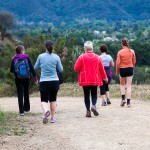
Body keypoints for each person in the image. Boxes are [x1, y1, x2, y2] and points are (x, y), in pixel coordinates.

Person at [74, 41, 108, 117]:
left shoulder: (81, 57)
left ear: (85, 48)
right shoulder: (97, 57)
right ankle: (93, 105)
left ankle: (88, 111)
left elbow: (76, 68)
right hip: (95, 79)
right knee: (94, 94)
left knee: (86, 95)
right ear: (92, 48)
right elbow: (102, 69)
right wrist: (105, 78)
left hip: (85, 79)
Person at [34, 40, 63, 124]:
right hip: (54, 81)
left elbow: (35, 67)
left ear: (45, 47)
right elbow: (61, 69)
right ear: (52, 46)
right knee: (53, 100)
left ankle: (46, 111)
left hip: (44, 81)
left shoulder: (40, 56)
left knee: (44, 100)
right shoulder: (56, 57)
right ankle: (53, 118)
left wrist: (42, 65)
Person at [10, 45, 38, 116]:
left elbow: (11, 70)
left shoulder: (14, 58)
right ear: (21, 51)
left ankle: (21, 112)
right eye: (24, 50)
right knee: (26, 92)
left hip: (18, 78)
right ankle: (27, 108)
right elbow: (31, 68)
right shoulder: (26, 57)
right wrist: (35, 77)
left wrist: (17, 71)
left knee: (20, 94)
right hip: (26, 77)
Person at [116, 38, 136, 107]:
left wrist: (117, 71)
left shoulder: (120, 52)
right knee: (129, 86)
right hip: (130, 68)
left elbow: (118, 63)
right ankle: (128, 102)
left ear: (122, 44)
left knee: (122, 85)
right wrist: (132, 67)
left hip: (122, 69)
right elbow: (134, 62)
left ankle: (123, 99)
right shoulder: (132, 51)